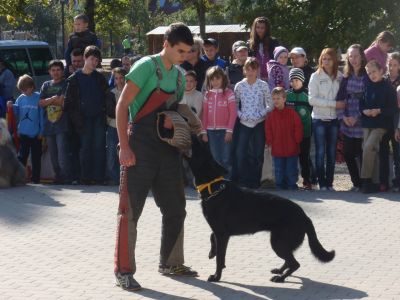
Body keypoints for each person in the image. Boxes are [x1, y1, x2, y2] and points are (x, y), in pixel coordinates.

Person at [114, 23, 197, 291]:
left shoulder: (181, 76)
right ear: (166, 44)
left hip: (167, 148)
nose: (184, 56)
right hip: (139, 144)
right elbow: (123, 105)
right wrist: (124, 147)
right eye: (180, 50)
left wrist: (196, 128)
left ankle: (171, 262)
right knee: (130, 210)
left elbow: (177, 108)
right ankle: (123, 271)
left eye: (187, 51)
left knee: (176, 207)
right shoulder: (146, 67)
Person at [64, 46, 109, 185]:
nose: (94, 62)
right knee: (85, 148)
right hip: (82, 119)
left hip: (98, 118)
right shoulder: (74, 79)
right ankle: (85, 177)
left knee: (99, 147)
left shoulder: (100, 78)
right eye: (91, 59)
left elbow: (107, 97)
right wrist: (77, 120)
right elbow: (69, 103)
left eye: (97, 60)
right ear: (85, 58)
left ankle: (99, 176)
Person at [232, 57, 273, 188]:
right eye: (248, 69)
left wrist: (260, 114)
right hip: (244, 123)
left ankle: (255, 181)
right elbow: (235, 105)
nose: (250, 72)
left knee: (258, 153)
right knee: (240, 152)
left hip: (259, 123)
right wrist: (241, 115)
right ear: (244, 70)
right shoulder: (239, 86)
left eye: (253, 69)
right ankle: (243, 180)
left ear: (257, 70)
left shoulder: (263, 85)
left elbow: (270, 104)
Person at [360, 60, 397, 193]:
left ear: (381, 71)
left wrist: (379, 111)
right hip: (367, 123)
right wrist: (364, 111)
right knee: (368, 150)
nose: (372, 75)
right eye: (369, 73)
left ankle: (366, 180)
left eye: (374, 72)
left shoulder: (388, 88)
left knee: (369, 146)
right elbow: (361, 103)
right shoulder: (367, 85)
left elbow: (393, 109)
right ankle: (374, 182)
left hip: (381, 125)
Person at [308, 48, 343, 191]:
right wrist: (333, 104)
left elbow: (343, 98)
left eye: (329, 58)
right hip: (319, 119)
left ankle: (330, 183)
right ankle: (322, 183)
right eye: (323, 58)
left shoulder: (340, 77)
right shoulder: (315, 77)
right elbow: (311, 100)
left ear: (334, 60)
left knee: (331, 152)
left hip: (334, 119)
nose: (326, 61)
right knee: (320, 152)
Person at [336, 45, 367, 192]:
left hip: (362, 119)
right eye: (350, 56)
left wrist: (358, 117)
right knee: (348, 153)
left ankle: (364, 183)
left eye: (356, 55)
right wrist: (344, 117)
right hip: (348, 120)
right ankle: (356, 183)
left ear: (361, 56)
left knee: (361, 153)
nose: (353, 59)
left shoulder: (367, 75)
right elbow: (340, 99)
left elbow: (370, 99)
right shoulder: (346, 76)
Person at [38, 60, 72, 184]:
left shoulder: (65, 83)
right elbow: (40, 103)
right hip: (48, 125)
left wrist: (50, 101)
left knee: (62, 152)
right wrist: (52, 99)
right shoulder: (46, 85)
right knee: (53, 153)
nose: (56, 72)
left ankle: (65, 177)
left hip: (61, 125)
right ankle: (58, 176)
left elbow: (62, 102)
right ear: (49, 72)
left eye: (58, 70)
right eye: (53, 70)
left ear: (62, 71)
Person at [7, 75, 43, 184]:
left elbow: (42, 116)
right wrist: (11, 106)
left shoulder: (39, 97)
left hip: (36, 133)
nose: (23, 91)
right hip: (23, 132)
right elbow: (16, 112)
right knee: (22, 156)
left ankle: (35, 179)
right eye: (21, 90)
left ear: (32, 87)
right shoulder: (21, 98)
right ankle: (20, 178)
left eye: (25, 89)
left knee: (36, 158)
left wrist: (42, 132)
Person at [201, 66, 237, 176]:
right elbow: (204, 115)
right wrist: (204, 132)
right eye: (212, 79)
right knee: (216, 159)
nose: (215, 81)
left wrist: (229, 131)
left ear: (223, 79)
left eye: (218, 78)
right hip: (211, 132)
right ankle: (219, 184)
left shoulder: (229, 93)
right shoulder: (207, 95)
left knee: (226, 158)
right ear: (209, 80)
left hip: (225, 131)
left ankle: (228, 183)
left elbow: (233, 114)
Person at [266, 87, 303, 190]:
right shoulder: (271, 116)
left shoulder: (292, 113)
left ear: (284, 99)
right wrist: (269, 140)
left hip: (292, 148)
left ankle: (292, 186)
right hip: (277, 149)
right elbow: (268, 129)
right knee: (278, 170)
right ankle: (279, 187)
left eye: (278, 98)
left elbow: (298, 126)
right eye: (274, 99)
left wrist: (297, 139)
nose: (276, 101)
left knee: (291, 169)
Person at [286, 68, 313, 189]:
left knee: (304, 157)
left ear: (302, 80)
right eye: (292, 80)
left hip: (305, 132)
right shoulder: (287, 95)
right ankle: (291, 180)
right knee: (291, 157)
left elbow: (312, 112)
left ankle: (307, 180)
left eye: (297, 80)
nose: (294, 82)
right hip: (290, 133)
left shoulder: (307, 95)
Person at [105, 67, 127, 186]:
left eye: (121, 78)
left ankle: (125, 178)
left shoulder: (130, 92)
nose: (119, 81)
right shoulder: (110, 93)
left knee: (125, 153)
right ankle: (114, 178)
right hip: (113, 126)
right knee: (112, 152)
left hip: (127, 126)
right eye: (116, 78)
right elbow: (110, 112)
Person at [248, 16, 279, 81]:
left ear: (266, 29)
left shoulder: (273, 42)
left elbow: (278, 59)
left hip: (271, 76)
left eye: (262, 28)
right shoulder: (250, 43)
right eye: (258, 27)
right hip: (255, 77)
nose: (260, 30)